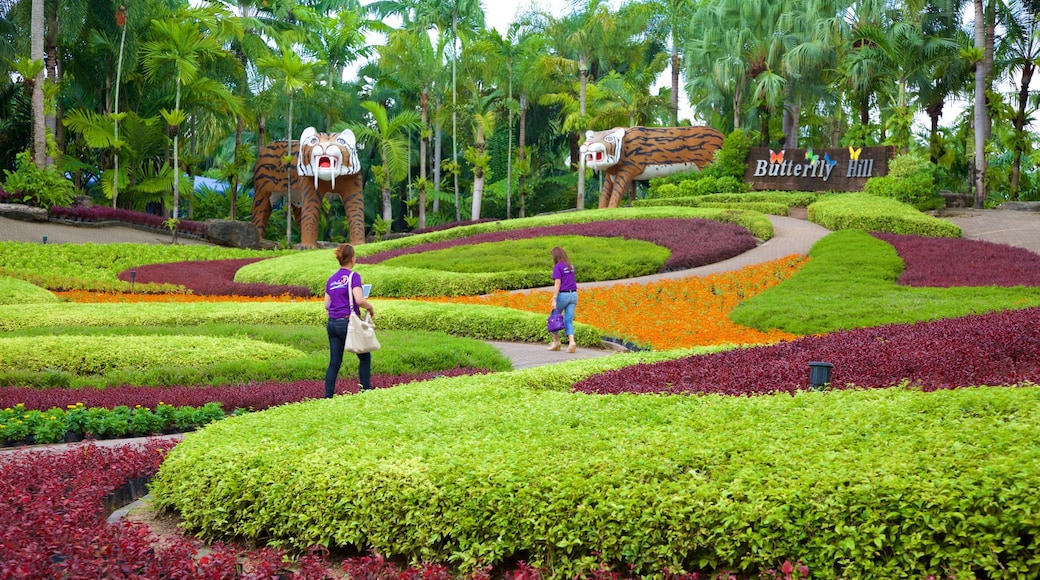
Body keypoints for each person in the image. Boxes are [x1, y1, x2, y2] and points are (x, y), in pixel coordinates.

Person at [324, 243, 375, 398]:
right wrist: (370, 308)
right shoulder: (354, 277)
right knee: (365, 356)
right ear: (352, 259)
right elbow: (359, 300)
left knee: (335, 362)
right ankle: (366, 389)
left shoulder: (331, 279)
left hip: (332, 323)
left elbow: (327, 305)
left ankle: (327, 395)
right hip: (348, 323)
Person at [548, 246, 578, 353]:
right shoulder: (570, 266)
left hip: (563, 295)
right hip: (574, 295)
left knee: (553, 317)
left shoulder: (558, 267)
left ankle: (556, 342)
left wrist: (554, 298)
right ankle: (572, 342)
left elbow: (557, 283)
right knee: (568, 320)